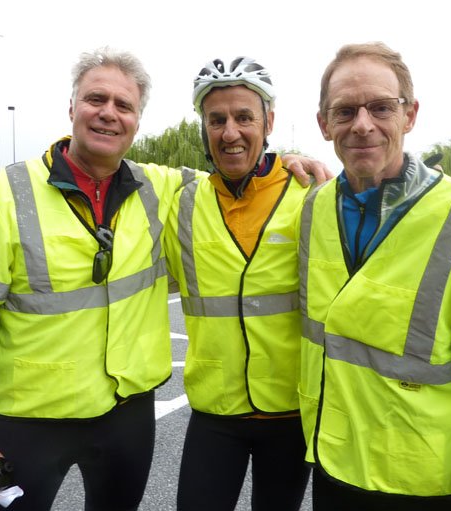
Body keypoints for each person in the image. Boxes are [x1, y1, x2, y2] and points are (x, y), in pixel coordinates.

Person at [0, 46, 329, 511]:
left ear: (138, 120)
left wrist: (291, 161)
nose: (108, 114)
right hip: (31, 419)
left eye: (124, 106)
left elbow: (245, 177)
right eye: (96, 99)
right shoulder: (7, 193)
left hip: (127, 418)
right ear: (71, 107)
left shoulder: (159, 188)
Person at [298, 42, 451, 511]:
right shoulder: (314, 208)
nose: (363, 124)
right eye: (345, 110)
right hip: (331, 466)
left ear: (410, 115)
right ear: (324, 123)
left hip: (425, 485)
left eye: (380, 107)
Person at [165, 57, 310, 511]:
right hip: (216, 413)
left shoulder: (312, 194)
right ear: (204, 128)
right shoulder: (181, 203)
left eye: (244, 117)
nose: (230, 132)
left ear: (269, 122)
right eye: (217, 120)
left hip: (289, 413)